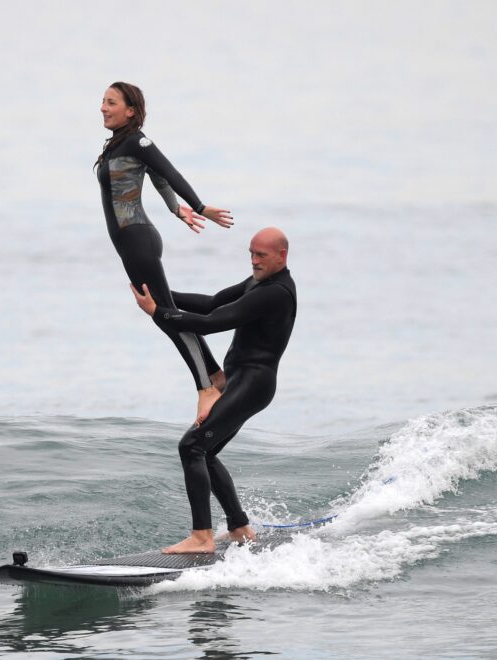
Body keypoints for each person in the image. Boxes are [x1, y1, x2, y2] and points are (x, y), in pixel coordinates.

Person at [130, 227, 296, 554]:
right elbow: (211, 303)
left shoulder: (275, 292)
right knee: (205, 451)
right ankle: (239, 528)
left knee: (191, 447)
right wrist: (161, 294)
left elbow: (213, 322)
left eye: (261, 255)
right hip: (239, 379)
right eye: (251, 253)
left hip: (253, 383)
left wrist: (158, 312)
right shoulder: (257, 282)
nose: (254, 260)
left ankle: (202, 537)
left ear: (282, 256)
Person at [97, 82, 234, 425]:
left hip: (137, 239)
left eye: (110, 102)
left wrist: (199, 206)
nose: (102, 107)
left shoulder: (137, 140)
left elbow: (169, 171)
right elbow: (157, 179)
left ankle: (206, 387)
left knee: (166, 314)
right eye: (102, 101)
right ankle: (215, 375)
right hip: (132, 242)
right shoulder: (118, 144)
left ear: (131, 110)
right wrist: (176, 209)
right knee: (164, 312)